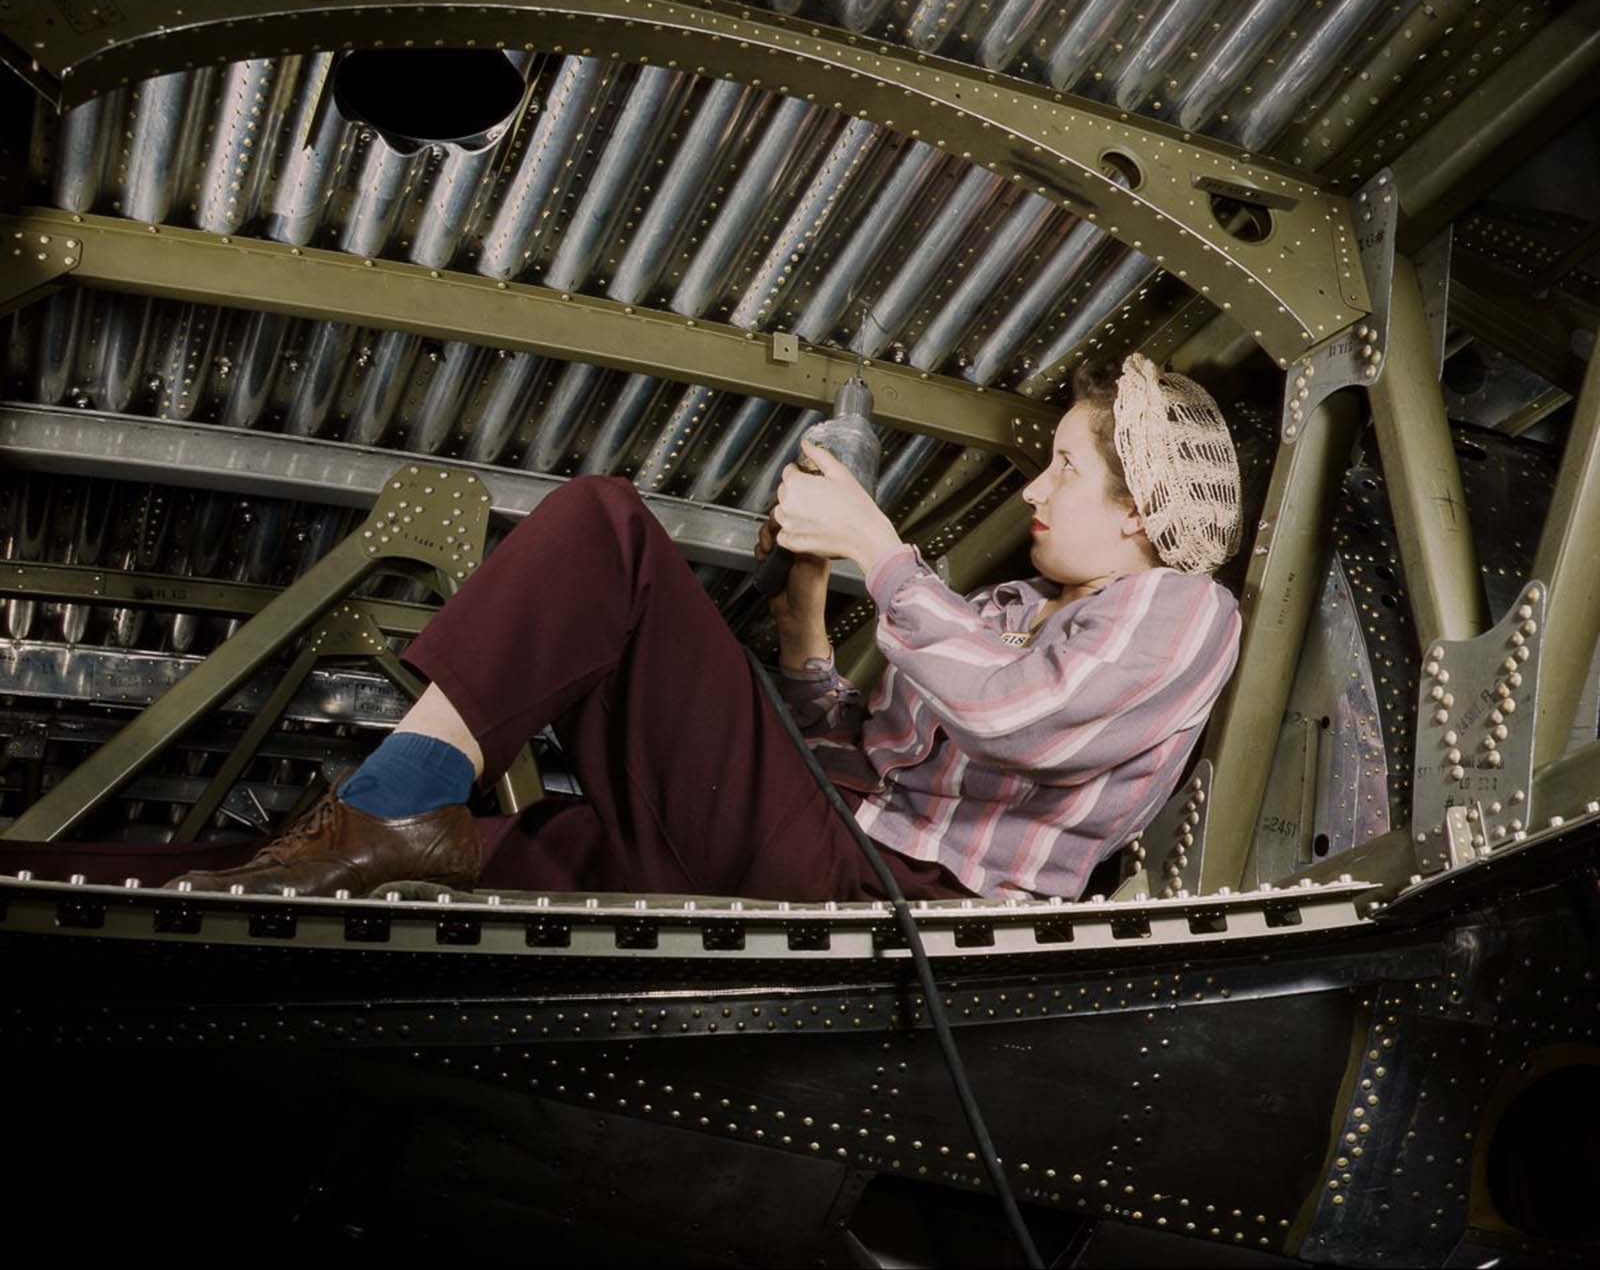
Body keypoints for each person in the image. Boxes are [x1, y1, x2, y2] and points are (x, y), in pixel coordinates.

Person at [166, 353, 1243, 903]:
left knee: (608, 526)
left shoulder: (1182, 608)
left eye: (1065, 465)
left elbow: (1024, 718)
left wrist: (877, 546)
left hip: (906, 906)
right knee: (519, 853)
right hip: (835, 848)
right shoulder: (1006, 611)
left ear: (1141, 506)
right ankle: (249, 866)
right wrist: (807, 633)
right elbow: (856, 768)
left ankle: (378, 811)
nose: (1033, 491)